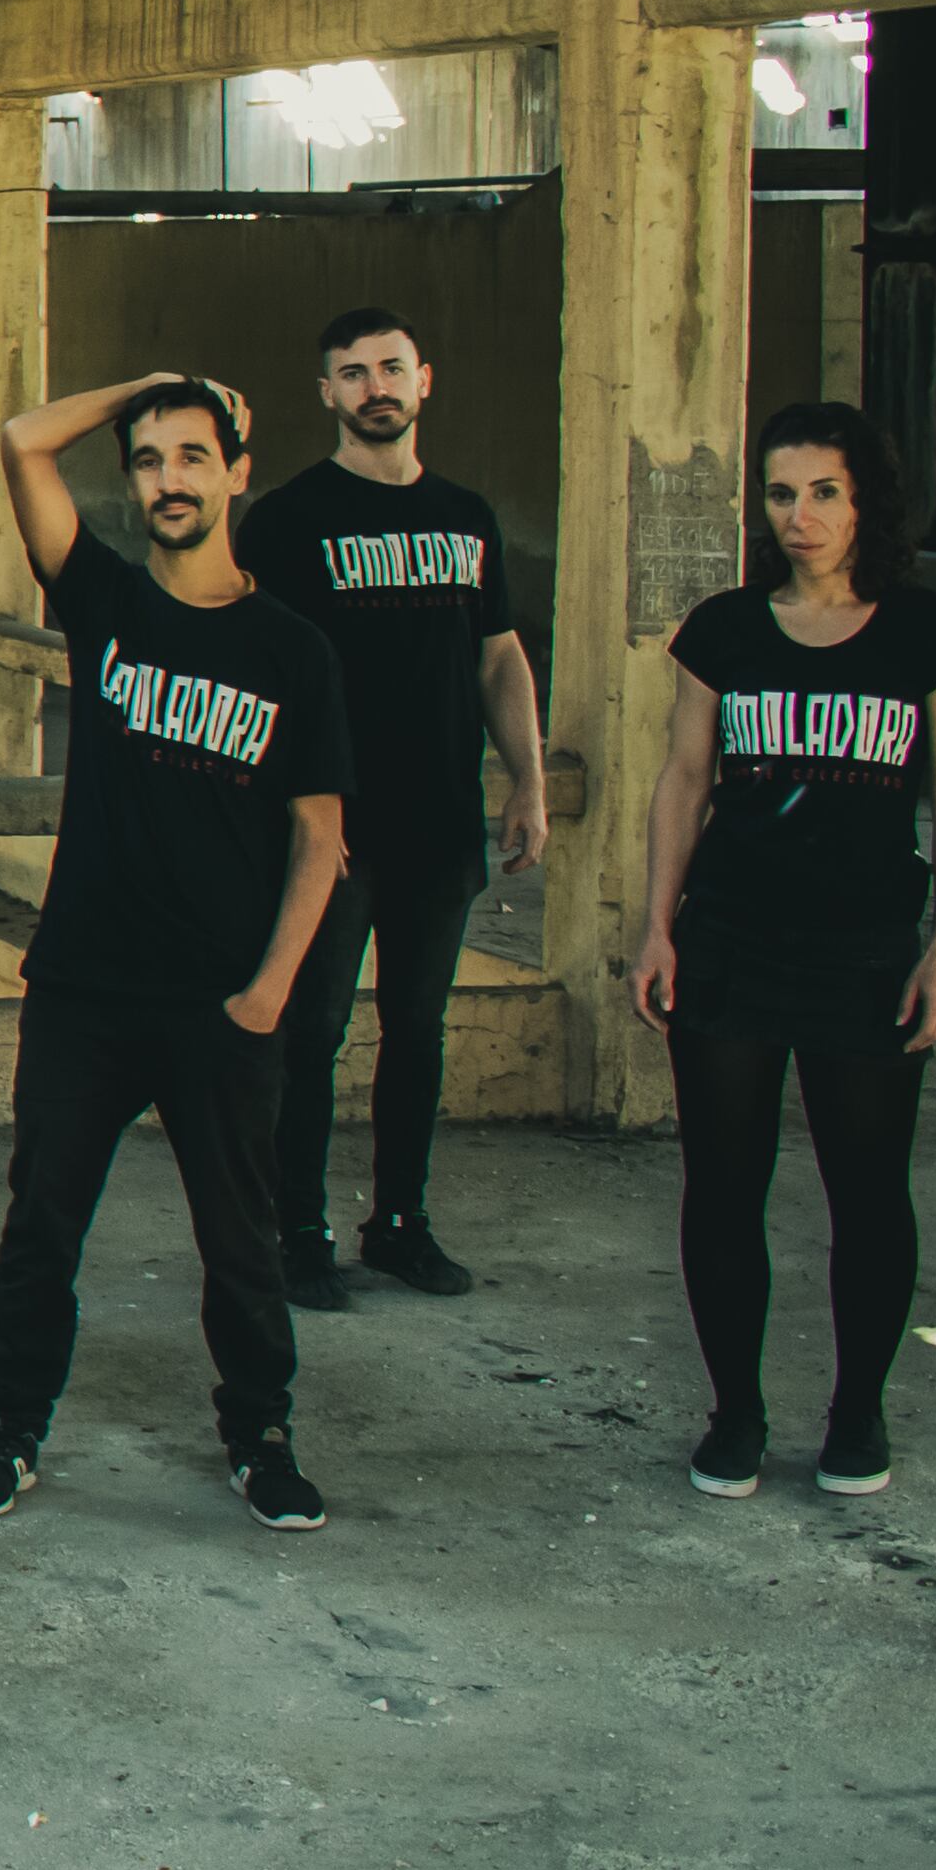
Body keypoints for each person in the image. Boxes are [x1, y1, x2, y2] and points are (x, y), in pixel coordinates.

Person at [0, 373, 350, 1533]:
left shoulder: (291, 651)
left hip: (218, 1002)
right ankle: (6, 1430)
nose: (167, 479)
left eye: (189, 455)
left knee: (239, 1238)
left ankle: (259, 1437)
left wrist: (268, 990)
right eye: (147, 460)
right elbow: (21, 438)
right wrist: (151, 379)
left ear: (235, 471)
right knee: (40, 1224)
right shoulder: (106, 602)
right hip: (82, 989)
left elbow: (319, 838)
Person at [633, 401, 936, 1504]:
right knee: (723, 1188)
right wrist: (653, 923)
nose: (798, 515)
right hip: (730, 942)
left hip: (866, 950)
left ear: (862, 497)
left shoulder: (928, 632)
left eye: (821, 491)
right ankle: (733, 1413)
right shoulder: (722, 631)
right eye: (780, 493)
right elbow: (683, 781)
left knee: (867, 1192)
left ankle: (854, 1411)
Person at [234, 308, 548, 1308]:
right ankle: (295, 1231)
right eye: (351, 372)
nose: (374, 386)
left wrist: (527, 782)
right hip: (334, 827)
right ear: (324, 393)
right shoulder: (287, 519)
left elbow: (496, 655)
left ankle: (399, 1224)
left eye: (389, 368)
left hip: (440, 819)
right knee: (310, 1028)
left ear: (424, 380)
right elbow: (262, 672)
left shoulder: (465, 515)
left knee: (416, 1029)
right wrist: (281, 818)